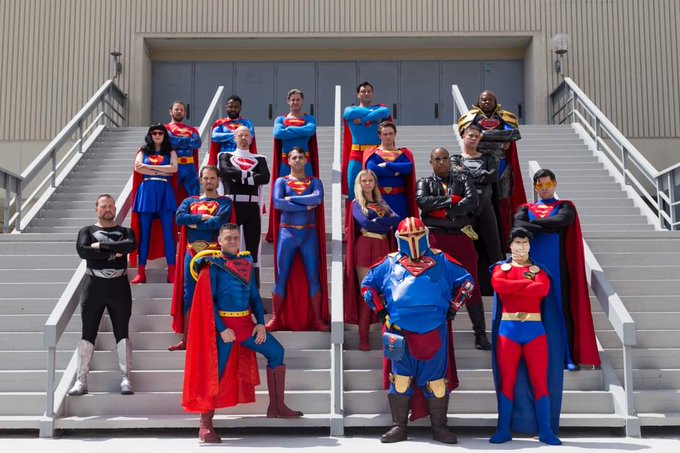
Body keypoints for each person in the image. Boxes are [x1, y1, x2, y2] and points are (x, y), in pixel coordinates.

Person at [182, 224, 303, 444]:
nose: (233, 242)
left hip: (246, 326)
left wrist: (261, 324)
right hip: (225, 329)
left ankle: (277, 407)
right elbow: (208, 302)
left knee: (276, 352)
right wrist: (222, 329)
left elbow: (254, 296)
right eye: (228, 238)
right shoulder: (212, 265)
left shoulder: (246, 262)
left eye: (236, 238)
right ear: (219, 240)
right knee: (215, 373)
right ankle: (205, 424)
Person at [361, 217, 474, 444]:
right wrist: (380, 311)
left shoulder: (442, 259)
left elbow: (467, 283)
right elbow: (367, 286)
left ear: (425, 236)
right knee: (400, 379)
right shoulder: (390, 262)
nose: (412, 241)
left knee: (437, 382)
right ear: (399, 238)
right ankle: (399, 426)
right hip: (398, 330)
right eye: (407, 237)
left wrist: (454, 307)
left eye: (416, 236)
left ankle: (439, 427)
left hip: (434, 329)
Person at [513, 169, 600, 369]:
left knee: (561, 310)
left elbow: (561, 221)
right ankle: (534, 357)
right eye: (540, 185)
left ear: (554, 184)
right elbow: (518, 224)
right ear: (535, 187)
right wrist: (548, 228)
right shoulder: (525, 208)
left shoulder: (565, 206)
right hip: (531, 264)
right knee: (533, 310)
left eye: (548, 184)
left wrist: (532, 225)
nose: (544, 188)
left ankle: (567, 356)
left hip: (557, 266)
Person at [489, 227, 563, 445]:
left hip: (534, 332)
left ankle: (546, 431)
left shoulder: (539, 270)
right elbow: (499, 285)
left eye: (525, 243)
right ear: (510, 245)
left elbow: (541, 290)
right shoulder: (501, 269)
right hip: (508, 331)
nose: (521, 247)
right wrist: (525, 282)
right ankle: (503, 429)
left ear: (530, 246)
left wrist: (516, 287)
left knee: (540, 381)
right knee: (507, 382)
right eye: (517, 243)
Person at [416, 146, 492, 351]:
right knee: (436, 285)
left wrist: (444, 212)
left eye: (445, 158)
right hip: (436, 238)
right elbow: (423, 202)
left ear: (450, 160)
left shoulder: (463, 178)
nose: (442, 162)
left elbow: (472, 201)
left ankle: (480, 334)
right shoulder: (424, 182)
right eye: (437, 159)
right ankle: (438, 333)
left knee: (471, 284)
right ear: (431, 162)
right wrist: (452, 201)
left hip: (461, 237)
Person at [69, 194, 137, 396]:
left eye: (110, 206)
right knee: (88, 332)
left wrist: (101, 246)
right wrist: (113, 253)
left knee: (122, 332)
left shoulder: (126, 231)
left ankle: (126, 378)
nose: (107, 209)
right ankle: (81, 380)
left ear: (115, 209)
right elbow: (83, 251)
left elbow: (130, 246)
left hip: (119, 285)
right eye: (103, 206)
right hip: (93, 286)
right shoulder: (86, 231)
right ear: (96, 209)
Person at [169, 165, 233, 351]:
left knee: (215, 295)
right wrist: (202, 218)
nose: (209, 181)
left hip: (214, 255)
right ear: (200, 180)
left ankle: (215, 338)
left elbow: (219, 222)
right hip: (192, 253)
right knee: (189, 295)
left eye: (212, 178)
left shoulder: (225, 202)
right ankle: (187, 339)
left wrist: (195, 224)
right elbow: (180, 218)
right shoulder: (190, 201)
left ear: (218, 180)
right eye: (206, 178)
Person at [266, 147, 329, 332]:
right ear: (288, 161)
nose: (297, 160)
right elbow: (278, 203)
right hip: (287, 233)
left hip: (309, 234)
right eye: (294, 157)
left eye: (301, 157)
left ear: (306, 160)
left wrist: (291, 199)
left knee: (313, 276)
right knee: (282, 275)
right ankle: (276, 318)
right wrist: (306, 205)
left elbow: (318, 199)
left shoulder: (315, 181)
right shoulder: (281, 181)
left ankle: (317, 318)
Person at [458, 91, 526, 248]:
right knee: (477, 200)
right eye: (484, 99)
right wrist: (499, 141)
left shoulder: (504, 117)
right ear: (478, 101)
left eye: (490, 99)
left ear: (495, 101)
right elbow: (467, 136)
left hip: (501, 165)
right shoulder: (470, 117)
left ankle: (505, 240)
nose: (487, 102)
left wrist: (483, 136)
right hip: (478, 163)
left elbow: (513, 135)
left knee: (503, 203)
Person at [345, 169, 400, 351]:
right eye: (364, 181)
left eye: (370, 180)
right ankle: (363, 338)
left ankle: (390, 338)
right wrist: (383, 223)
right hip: (364, 247)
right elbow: (365, 223)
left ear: (375, 183)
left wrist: (377, 222)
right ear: (359, 184)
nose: (367, 183)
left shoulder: (382, 202)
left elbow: (396, 219)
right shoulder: (356, 203)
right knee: (367, 293)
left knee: (386, 293)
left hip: (383, 246)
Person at [450, 124, 503, 296]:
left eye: (476, 136)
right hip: (465, 210)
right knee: (465, 249)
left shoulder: (489, 158)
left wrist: (467, 174)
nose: (473, 138)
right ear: (463, 136)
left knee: (494, 248)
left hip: (485, 207)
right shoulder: (455, 159)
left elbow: (492, 176)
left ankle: (500, 286)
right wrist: (480, 175)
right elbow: (456, 175)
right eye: (470, 135)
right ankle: (461, 288)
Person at [219, 126, 270, 286]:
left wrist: (239, 176)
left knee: (253, 249)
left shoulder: (260, 158)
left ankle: (253, 288)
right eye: (240, 135)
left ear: (251, 138)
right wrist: (251, 176)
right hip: (232, 206)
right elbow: (226, 172)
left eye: (246, 135)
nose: (243, 138)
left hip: (251, 206)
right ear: (234, 138)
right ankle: (227, 284)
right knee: (228, 245)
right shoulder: (225, 155)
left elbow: (265, 178)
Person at [266, 89, 319, 242]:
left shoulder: (309, 118)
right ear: (288, 101)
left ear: (302, 101)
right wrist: (300, 131)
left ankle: (307, 230)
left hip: (305, 163)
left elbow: (310, 130)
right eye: (292, 99)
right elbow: (278, 133)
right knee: (284, 194)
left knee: (306, 192)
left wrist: (289, 130)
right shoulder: (280, 119)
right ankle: (283, 229)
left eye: (298, 99)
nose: (295, 102)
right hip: (285, 163)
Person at [129, 124, 178, 284]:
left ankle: (172, 272)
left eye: (160, 133)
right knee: (144, 234)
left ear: (164, 135)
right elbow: (138, 168)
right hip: (147, 192)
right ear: (150, 135)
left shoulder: (170, 151)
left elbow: (174, 169)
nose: (157, 135)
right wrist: (162, 170)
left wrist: (149, 168)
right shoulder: (143, 151)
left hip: (165, 192)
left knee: (168, 233)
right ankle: (141, 272)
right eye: (154, 132)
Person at [342, 82, 391, 199]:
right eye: (363, 91)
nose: (366, 93)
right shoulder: (351, 109)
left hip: (375, 154)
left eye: (369, 91)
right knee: (353, 189)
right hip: (356, 154)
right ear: (358, 94)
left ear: (372, 93)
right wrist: (372, 114)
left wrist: (363, 119)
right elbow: (348, 113)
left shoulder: (380, 109)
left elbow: (385, 111)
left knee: (377, 190)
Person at [362, 121, 417, 220]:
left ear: (395, 134)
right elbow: (372, 169)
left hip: (399, 199)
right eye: (385, 134)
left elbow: (408, 167)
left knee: (400, 226)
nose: (388, 137)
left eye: (391, 133)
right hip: (379, 199)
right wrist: (396, 172)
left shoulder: (403, 153)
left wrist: (387, 164)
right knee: (380, 226)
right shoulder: (373, 153)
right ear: (379, 136)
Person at [165, 101, 201, 201]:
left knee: (194, 196)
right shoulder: (165, 128)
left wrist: (177, 141)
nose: (179, 111)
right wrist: (188, 140)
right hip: (173, 167)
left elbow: (197, 143)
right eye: (176, 109)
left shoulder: (192, 129)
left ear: (184, 113)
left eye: (181, 110)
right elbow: (170, 142)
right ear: (170, 111)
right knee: (170, 196)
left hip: (190, 167)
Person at [208, 95, 257, 166]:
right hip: (224, 159)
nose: (233, 109)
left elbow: (249, 138)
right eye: (230, 107)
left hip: (243, 159)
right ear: (226, 107)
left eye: (236, 107)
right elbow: (214, 137)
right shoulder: (220, 123)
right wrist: (238, 135)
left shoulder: (247, 123)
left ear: (240, 108)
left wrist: (225, 137)